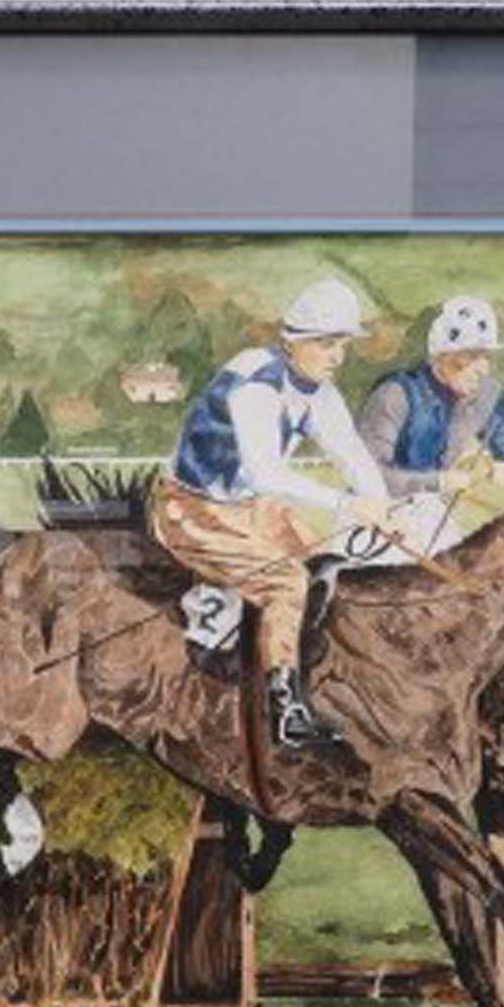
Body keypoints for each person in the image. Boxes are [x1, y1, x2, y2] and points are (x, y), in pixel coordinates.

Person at [150, 277, 396, 750]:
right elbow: (266, 472)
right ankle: (283, 708)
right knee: (287, 580)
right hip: (190, 508)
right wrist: (348, 504)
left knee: (325, 564)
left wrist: (383, 509)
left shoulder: (321, 394)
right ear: (292, 343)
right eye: (325, 344)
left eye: (342, 344)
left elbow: (352, 457)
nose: (337, 355)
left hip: (248, 509)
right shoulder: (255, 383)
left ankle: (320, 676)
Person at [356, 295, 504, 505]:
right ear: (439, 357)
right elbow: (369, 476)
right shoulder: (395, 394)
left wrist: (488, 465)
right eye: (470, 356)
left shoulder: (488, 394)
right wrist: (439, 482)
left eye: (487, 357)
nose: (483, 369)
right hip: (375, 511)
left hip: (433, 513)